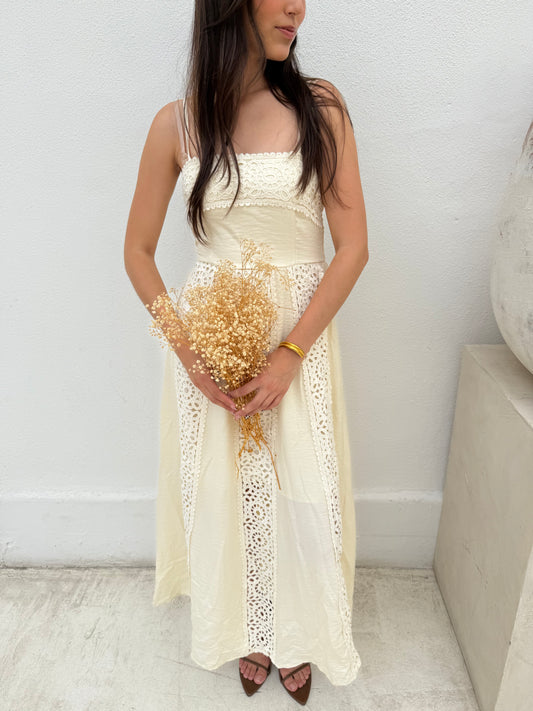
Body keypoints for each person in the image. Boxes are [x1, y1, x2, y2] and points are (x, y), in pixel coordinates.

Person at [124, 0, 368, 704]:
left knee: (303, 484)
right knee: (227, 491)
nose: (298, 8)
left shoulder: (321, 108)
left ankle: (300, 630)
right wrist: (189, 355)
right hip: (212, 341)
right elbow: (137, 251)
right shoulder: (176, 125)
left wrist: (291, 351)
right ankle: (252, 629)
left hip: (299, 337)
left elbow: (353, 247)